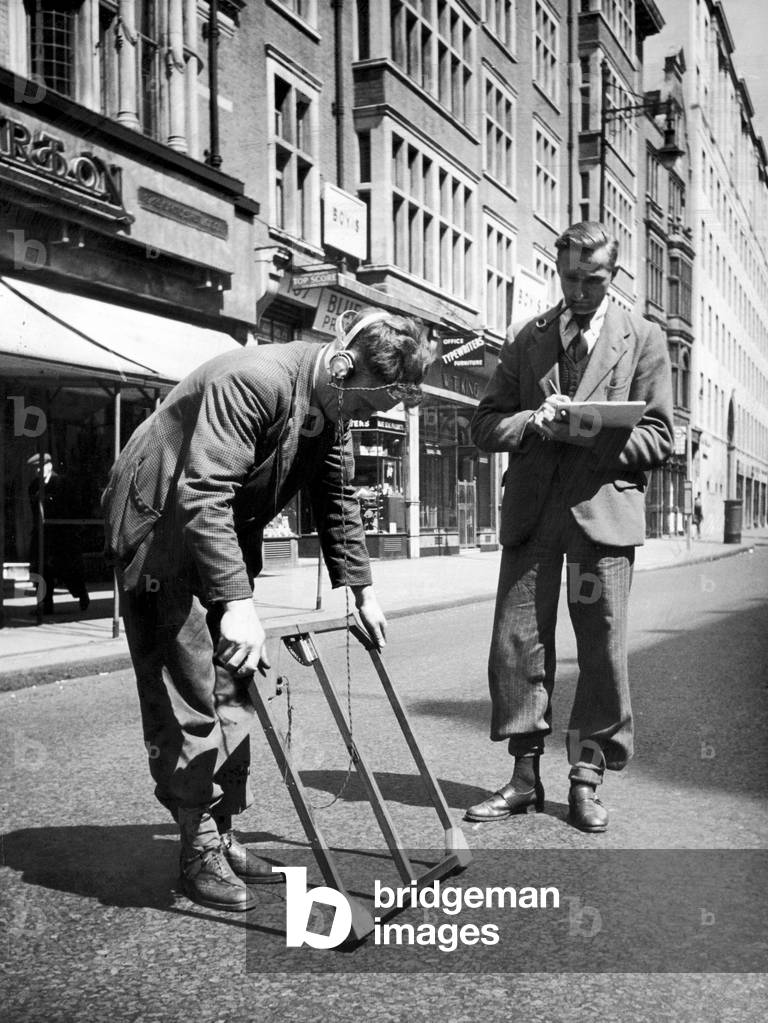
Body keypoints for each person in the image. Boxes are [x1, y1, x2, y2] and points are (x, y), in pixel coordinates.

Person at [102, 307, 431, 911]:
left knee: (236, 683)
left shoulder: (331, 402)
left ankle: (222, 832)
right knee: (191, 692)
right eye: (363, 407)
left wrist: (362, 590)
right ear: (342, 365)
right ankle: (197, 848)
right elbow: (203, 491)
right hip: (162, 533)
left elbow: (336, 501)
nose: (360, 421)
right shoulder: (254, 380)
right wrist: (236, 602)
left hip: (219, 535)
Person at [465, 222, 674, 833]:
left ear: (614, 276)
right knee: (517, 641)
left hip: (601, 514)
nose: (580, 291)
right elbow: (485, 424)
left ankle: (585, 779)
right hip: (534, 513)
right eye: (570, 277)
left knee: (601, 651)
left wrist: (592, 434)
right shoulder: (527, 338)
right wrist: (532, 422)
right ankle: (524, 779)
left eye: (594, 279)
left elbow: (660, 436)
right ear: (558, 272)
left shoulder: (644, 338)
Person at [27, 453, 90, 615]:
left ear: (49, 466)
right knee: (41, 570)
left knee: (68, 570)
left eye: (40, 466)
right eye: (35, 468)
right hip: (42, 535)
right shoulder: (33, 486)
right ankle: (45, 605)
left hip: (61, 536)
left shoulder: (62, 483)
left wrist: (48, 500)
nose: (38, 470)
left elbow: (71, 507)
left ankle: (81, 594)